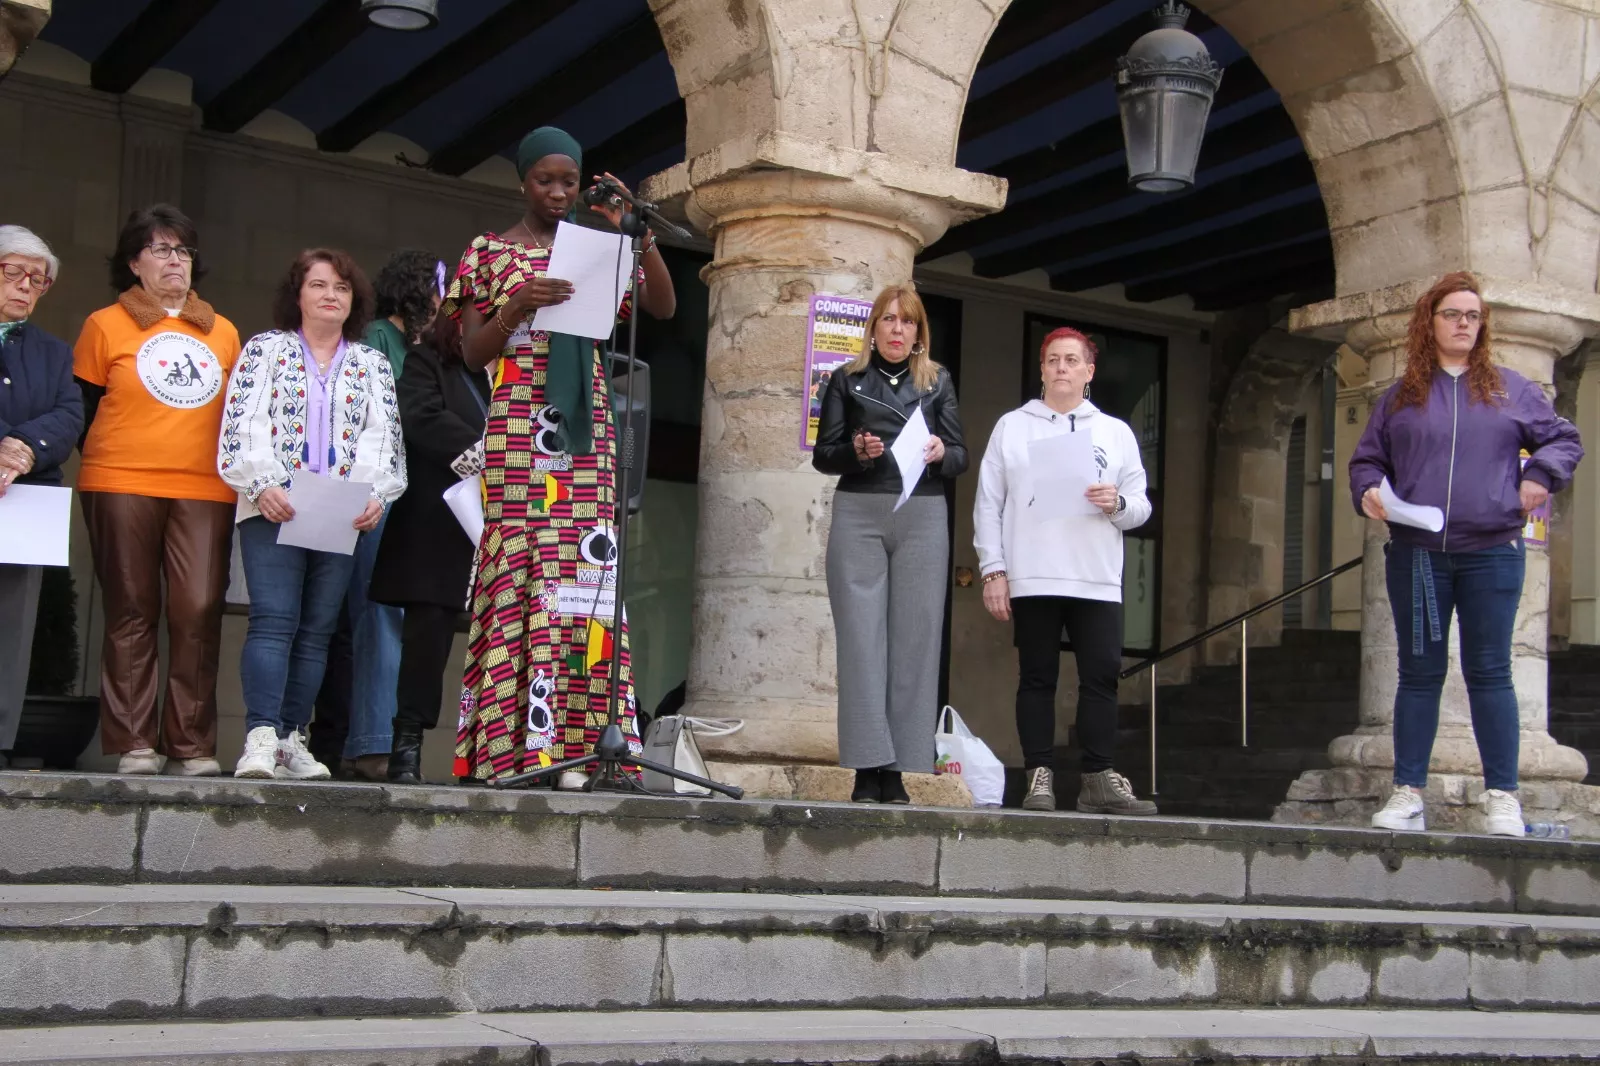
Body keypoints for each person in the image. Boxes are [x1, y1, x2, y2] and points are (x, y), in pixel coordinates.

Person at [448, 126, 675, 787]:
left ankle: (579, 745)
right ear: (523, 181)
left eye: (568, 182)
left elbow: (662, 306)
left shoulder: (597, 248)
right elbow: (470, 353)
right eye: (544, 180)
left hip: (587, 429)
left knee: (582, 574)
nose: (556, 192)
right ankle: (515, 749)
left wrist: (635, 231)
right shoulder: (488, 253)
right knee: (523, 568)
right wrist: (516, 306)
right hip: (520, 425)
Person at [1351, 271, 1583, 837]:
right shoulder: (1401, 396)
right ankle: (1408, 793)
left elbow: (1563, 439)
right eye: (1452, 314)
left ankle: (1503, 796)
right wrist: (1369, 490)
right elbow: (1367, 460)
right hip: (1418, 554)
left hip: (1492, 552)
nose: (1464, 324)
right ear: (1428, 323)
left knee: (1491, 672)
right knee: (1419, 673)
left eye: (1473, 316)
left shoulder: (1511, 389)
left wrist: (1540, 477)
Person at [217, 249, 406, 780]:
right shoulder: (265, 350)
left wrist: (375, 495)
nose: (330, 295)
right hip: (272, 506)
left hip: (340, 513)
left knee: (318, 630)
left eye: (342, 288)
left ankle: (289, 738)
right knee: (274, 621)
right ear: (297, 294)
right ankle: (260, 736)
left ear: (354, 301)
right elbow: (241, 425)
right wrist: (262, 484)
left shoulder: (370, 363)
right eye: (319, 285)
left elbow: (385, 440)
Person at [73, 205, 242, 777]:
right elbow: (82, 410)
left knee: (199, 609)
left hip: (207, 488)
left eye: (184, 250)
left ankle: (191, 745)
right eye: (162, 249)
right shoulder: (104, 325)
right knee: (131, 607)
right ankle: (134, 743)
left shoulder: (223, 331)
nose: (176, 260)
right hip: (121, 480)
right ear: (133, 262)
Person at [973, 327, 1156, 816]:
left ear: (1088, 371)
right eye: (1053, 359)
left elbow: (1141, 506)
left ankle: (1098, 778)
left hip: (1096, 576)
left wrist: (1115, 503)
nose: (1061, 368)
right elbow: (988, 503)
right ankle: (1039, 776)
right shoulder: (1012, 427)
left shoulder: (1115, 432)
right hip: (1033, 573)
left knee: (1101, 677)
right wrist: (993, 570)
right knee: (1037, 677)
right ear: (1041, 369)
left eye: (1072, 360)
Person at [812, 284, 967, 804]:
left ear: (919, 332)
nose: (897, 329)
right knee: (861, 643)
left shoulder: (937, 381)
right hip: (860, 511)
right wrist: (856, 450)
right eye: (889, 319)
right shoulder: (846, 379)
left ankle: (898, 769)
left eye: (908, 321)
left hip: (922, 514)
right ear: (873, 328)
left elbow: (960, 455)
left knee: (915, 642)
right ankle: (866, 767)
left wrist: (942, 451)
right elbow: (824, 454)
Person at [309, 249, 443, 780]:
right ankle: (372, 743)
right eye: (440, 289)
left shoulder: (421, 346)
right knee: (376, 613)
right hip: (374, 496)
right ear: (418, 290)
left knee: (378, 616)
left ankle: (358, 741)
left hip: (407, 499)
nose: (446, 300)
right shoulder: (378, 340)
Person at [369, 310, 490, 783]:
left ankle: (493, 754)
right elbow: (419, 415)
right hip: (441, 523)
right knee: (427, 638)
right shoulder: (428, 361)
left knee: (505, 639)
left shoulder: (521, 372)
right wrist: (490, 451)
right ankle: (407, 744)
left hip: (507, 524)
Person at [0, 226, 83, 770]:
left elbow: (70, 414)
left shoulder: (53, 352)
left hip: (24, 500)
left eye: (38, 279)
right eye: (14, 272)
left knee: (12, 621)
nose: (26, 286)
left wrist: (24, 448)